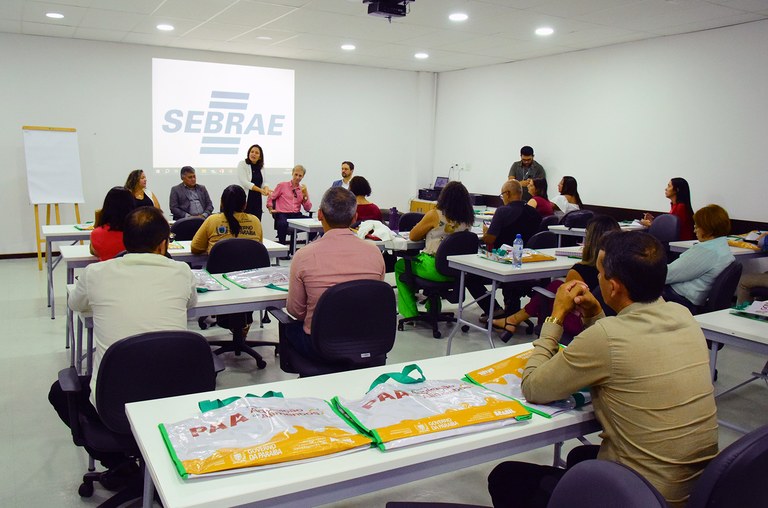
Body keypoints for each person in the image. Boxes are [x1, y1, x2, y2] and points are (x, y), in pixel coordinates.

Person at [488, 231, 718, 508]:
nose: (595, 279)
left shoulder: (608, 336)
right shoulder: (684, 316)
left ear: (613, 287)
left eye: (598, 273)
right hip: (691, 489)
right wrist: (594, 315)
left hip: (640, 496)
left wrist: (555, 317)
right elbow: (620, 351)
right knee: (579, 457)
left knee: (506, 477)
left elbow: (534, 387)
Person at [285, 187, 385, 355]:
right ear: (355, 217)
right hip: (366, 343)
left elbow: (297, 312)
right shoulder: (374, 252)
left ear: (319, 214)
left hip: (319, 347)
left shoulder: (303, 256)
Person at [492, 215, 620, 336]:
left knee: (556, 287)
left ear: (590, 241)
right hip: (613, 323)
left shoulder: (579, 271)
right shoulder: (620, 271)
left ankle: (513, 320)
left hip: (582, 325)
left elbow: (567, 306)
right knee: (556, 285)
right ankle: (513, 320)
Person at [395, 181, 493, 319]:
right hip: (457, 271)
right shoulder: (467, 219)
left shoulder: (435, 214)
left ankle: (410, 313)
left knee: (400, 266)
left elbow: (413, 235)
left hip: (434, 268)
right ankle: (433, 310)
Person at [662, 204, 735, 311]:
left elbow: (667, 275)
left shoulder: (707, 251)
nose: (694, 231)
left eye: (697, 226)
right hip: (689, 299)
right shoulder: (722, 246)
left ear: (707, 228)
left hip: (680, 300)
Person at [191, 185, 263, 254]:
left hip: (220, 266)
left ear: (222, 203)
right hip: (250, 266)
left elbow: (196, 247)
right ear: (245, 204)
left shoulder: (212, 220)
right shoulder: (255, 221)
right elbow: (259, 247)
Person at [267, 165, 313, 247]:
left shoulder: (302, 189)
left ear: (303, 176)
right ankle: (282, 248)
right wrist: (270, 208)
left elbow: (308, 208)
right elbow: (271, 197)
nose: (297, 177)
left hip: (296, 215)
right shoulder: (282, 185)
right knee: (282, 224)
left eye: (300, 176)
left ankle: (308, 246)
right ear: (292, 173)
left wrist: (305, 194)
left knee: (312, 222)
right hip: (283, 214)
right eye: (296, 174)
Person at [90, 186, 135, 261]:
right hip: (132, 272)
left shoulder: (96, 234)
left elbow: (94, 252)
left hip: (106, 271)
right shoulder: (138, 234)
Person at [237, 144, 271, 221]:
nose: (253, 154)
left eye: (256, 153)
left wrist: (266, 189)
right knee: (244, 224)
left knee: (256, 222)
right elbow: (245, 182)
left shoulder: (261, 167)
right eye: (252, 152)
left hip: (257, 199)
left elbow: (264, 182)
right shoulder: (243, 164)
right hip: (246, 198)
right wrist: (260, 190)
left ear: (260, 157)